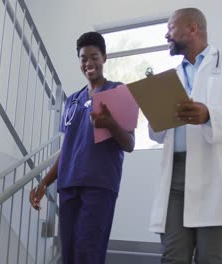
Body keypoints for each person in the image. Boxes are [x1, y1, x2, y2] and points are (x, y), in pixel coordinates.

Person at [148, 8, 222, 264]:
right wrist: (155, 112)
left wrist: (209, 115)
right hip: (174, 177)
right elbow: (157, 135)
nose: (167, 34)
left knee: (211, 259)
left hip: (215, 174)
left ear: (192, 28)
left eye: (171, 27)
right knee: (173, 257)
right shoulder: (171, 77)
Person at [29, 31, 135, 263]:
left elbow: (129, 144)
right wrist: (45, 182)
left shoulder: (118, 92)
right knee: (69, 255)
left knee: (89, 253)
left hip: (99, 184)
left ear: (104, 58)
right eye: (83, 58)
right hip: (69, 185)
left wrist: (110, 124)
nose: (89, 63)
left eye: (94, 56)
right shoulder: (72, 101)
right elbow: (67, 149)